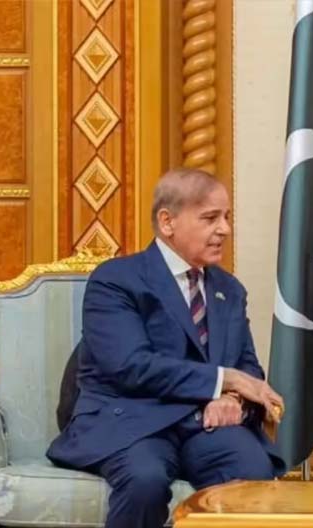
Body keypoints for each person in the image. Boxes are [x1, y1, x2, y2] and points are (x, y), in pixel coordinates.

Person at [47, 168, 286, 528]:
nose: (224, 229)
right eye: (210, 218)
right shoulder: (116, 280)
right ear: (167, 221)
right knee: (145, 480)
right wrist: (225, 380)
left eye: (226, 217)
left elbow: (247, 367)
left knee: (252, 470)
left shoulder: (229, 289)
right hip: (134, 422)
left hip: (206, 425)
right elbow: (131, 366)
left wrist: (233, 398)